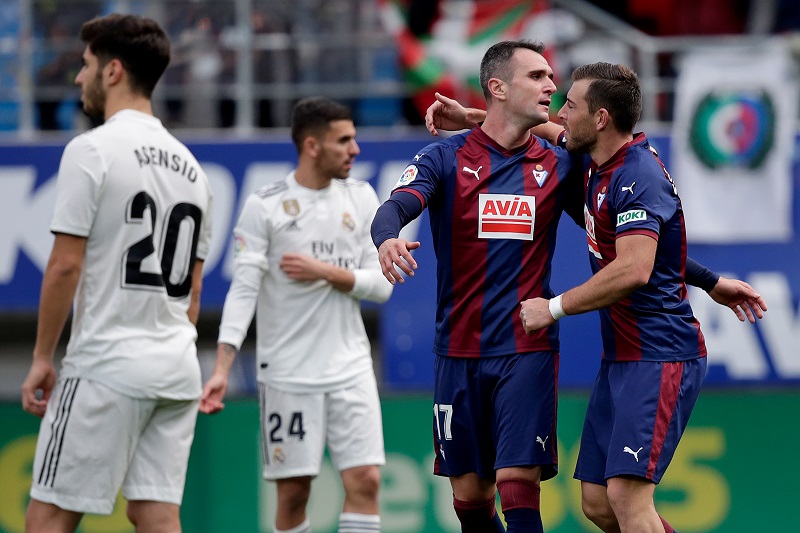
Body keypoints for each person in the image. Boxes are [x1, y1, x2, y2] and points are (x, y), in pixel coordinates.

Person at [375, 41, 766, 533]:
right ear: (498, 87)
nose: (553, 91)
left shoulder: (571, 168)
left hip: (538, 347)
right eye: (538, 77)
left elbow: (636, 256)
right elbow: (396, 206)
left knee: (530, 485)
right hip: (461, 349)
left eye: (561, 90)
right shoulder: (450, 157)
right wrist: (388, 238)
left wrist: (557, 307)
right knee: (494, 501)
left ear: (597, 117)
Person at [516, 62, 766, 533]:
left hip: (659, 356)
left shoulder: (638, 176)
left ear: (601, 118)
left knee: (627, 498)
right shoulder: (600, 158)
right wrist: (473, 118)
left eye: (570, 106)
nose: (560, 113)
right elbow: (659, 250)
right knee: (597, 502)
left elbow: (634, 268)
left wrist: (552, 308)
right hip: (623, 357)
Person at [20, 13, 213, 533]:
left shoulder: (91, 150)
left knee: (47, 519)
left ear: (113, 71)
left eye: (86, 65)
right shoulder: (195, 171)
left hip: (106, 364)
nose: (78, 77)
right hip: (176, 367)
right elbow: (193, 292)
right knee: (157, 517)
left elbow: (65, 265)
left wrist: (41, 357)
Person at [200, 97, 392, 533]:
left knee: (366, 480)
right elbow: (243, 290)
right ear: (312, 146)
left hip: (350, 368)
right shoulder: (265, 206)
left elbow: (381, 286)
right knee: (293, 493)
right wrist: (222, 368)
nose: (355, 149)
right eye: (344, 141)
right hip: (288, 373)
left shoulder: (361, 196)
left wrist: (324, 272)